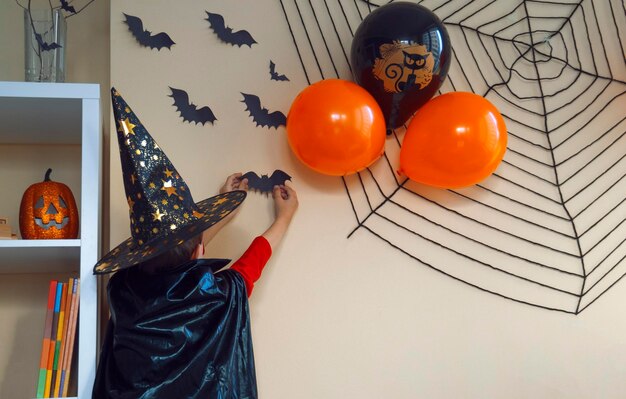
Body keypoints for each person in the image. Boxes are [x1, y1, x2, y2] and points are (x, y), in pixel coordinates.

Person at [92, 88, 298, 398]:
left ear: (138, 256)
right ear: (201, 252)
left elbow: (180, 255)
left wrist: (222, 207)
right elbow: (250, 264)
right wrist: (283, 218)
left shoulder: (121, 290)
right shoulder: (217, 294)